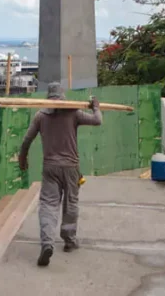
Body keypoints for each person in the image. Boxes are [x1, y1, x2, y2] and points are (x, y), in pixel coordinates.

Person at [18, 82, 102, 267]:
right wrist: (96, 107)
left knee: (48, 205)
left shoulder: (41, 115)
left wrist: (22, 160)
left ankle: (47, 242)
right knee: (70, 203)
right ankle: (69, 240)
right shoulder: (74, 113)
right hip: (71, 167)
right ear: (63, 96)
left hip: (50, 168)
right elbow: (97, 121)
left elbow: (26, 141)